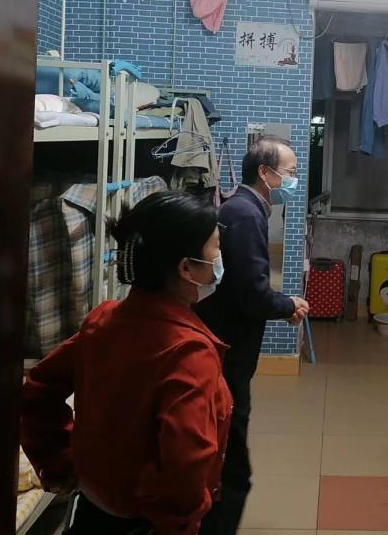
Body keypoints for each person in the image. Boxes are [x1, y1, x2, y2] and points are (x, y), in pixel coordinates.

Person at [20, 191, 232, 535]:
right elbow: (185, 468)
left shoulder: (103, 321)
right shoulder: (189, 354)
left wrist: (61, 462)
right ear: (186, 268)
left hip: (92, 515)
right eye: (216, 247)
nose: (220, 257)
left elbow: (38, 389)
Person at [197, 136, 309, 533]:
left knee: (226, 444)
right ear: (265, 172)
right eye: (289, 172)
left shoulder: (241, 207)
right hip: (229, 345)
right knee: (232, 461)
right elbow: (251, 293)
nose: (293, 180)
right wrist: (288, 306)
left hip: (226, 340)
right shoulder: (246, 214)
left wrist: (281, 304)